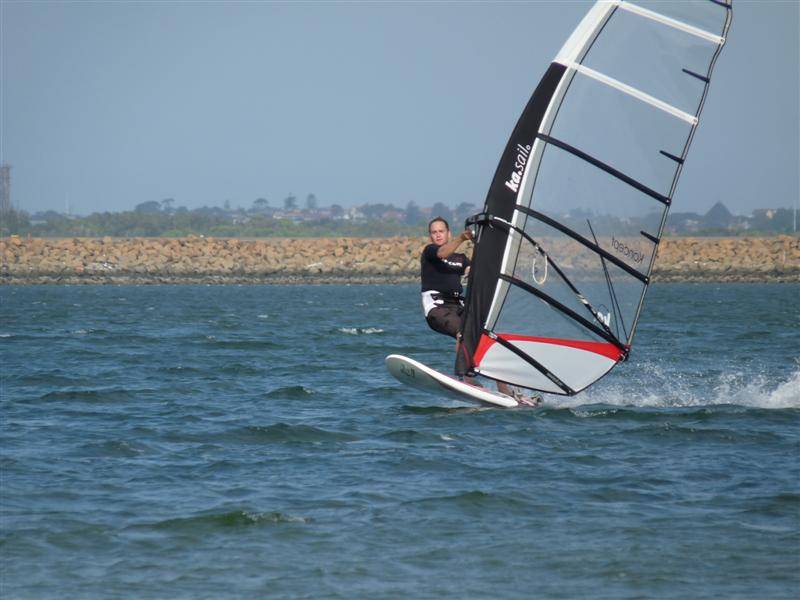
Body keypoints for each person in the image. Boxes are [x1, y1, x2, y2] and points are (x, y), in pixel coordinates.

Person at [420, 217, 518, 398]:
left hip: (459, 305)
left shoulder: (460, 259)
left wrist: (484, 247)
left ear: (448, 233)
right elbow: (442, 253)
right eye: (434, 232)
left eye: (441, 231)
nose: (438, 235)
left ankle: (504, 388)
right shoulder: (430, 252)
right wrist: (462, 238)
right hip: (438, 308)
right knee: (464, 331)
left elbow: (477, 271)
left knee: (488, 337)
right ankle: (467, 377)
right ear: (430, 236)